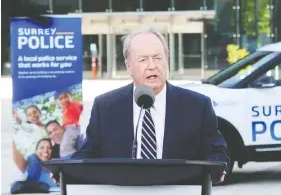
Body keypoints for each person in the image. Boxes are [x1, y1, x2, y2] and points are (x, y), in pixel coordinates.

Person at [70, 26, 230, 183]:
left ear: (167, 60)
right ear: (128, 65)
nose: (152, 65)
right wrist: (67, 171)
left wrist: (216, 168)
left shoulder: (197, 105)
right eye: (143, 59)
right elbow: (88, 155)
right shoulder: (105, 107)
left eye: (158, 58)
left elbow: (216, 151)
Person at [12, 105, 49, 173]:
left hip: (45, 154)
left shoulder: (46, 127)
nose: (33, 115)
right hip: (33, 154)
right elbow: (21, 124)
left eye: (35, 112)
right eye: (30, 115)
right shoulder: (31, 127)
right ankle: (30, 182)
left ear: (39, 112)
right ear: (28, 119)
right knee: (35, 164)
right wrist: (16, 117)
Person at [55, 91, 83, 158]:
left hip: (72, 127)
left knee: (65, 149)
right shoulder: (65, 108)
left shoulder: (75, 104)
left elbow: (81, 106)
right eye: (61, 99)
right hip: (67, 128)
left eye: (66, 96)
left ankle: (72, 161)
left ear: (71, 96)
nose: (64, 100)